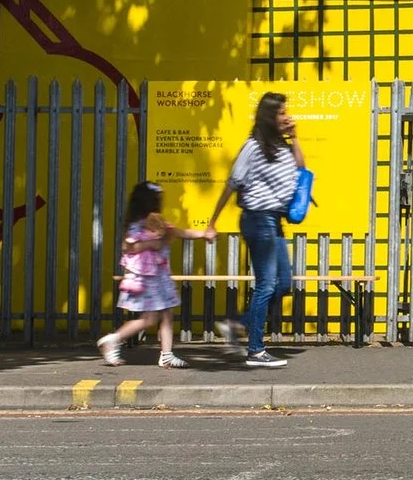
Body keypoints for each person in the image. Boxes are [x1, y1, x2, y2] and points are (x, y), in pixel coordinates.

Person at [209, 91, 300, 369]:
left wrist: (295, 136)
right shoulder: (253, 146)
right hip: (258, 219)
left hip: (274, 221)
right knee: (266, 284)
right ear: (269, 116)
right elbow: (233, 183)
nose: (286, 117)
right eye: (282, 112)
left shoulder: (281, 147)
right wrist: (212, 222)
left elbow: (301, 169)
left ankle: (237, 324)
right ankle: (256, 350)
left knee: (284, 283)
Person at [99, 180, 212, 367]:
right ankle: (113, 339)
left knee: (167, 313)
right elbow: (127, 246)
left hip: (158, 278)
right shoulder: (139, 226)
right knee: (149, 318)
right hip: (148, 279)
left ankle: (166, 354)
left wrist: (204, 234)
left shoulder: (155, 223)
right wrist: (151, 244)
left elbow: (180, 232)